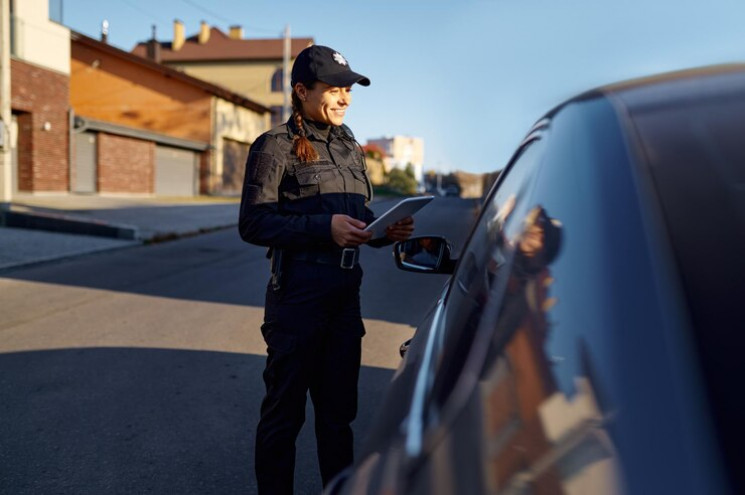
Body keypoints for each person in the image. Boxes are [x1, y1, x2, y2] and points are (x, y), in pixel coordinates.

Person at [238, 45, 414, 494]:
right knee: (284, 416)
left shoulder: (350, 145)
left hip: (343, 298)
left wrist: (381, 231)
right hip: (297, 298)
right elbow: (254, 222)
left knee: (338, 419)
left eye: (348, 90)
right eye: (334, 89)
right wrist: (325, 228)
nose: (344, 98)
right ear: (302, 90)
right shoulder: (274, 146)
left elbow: (353, 218)